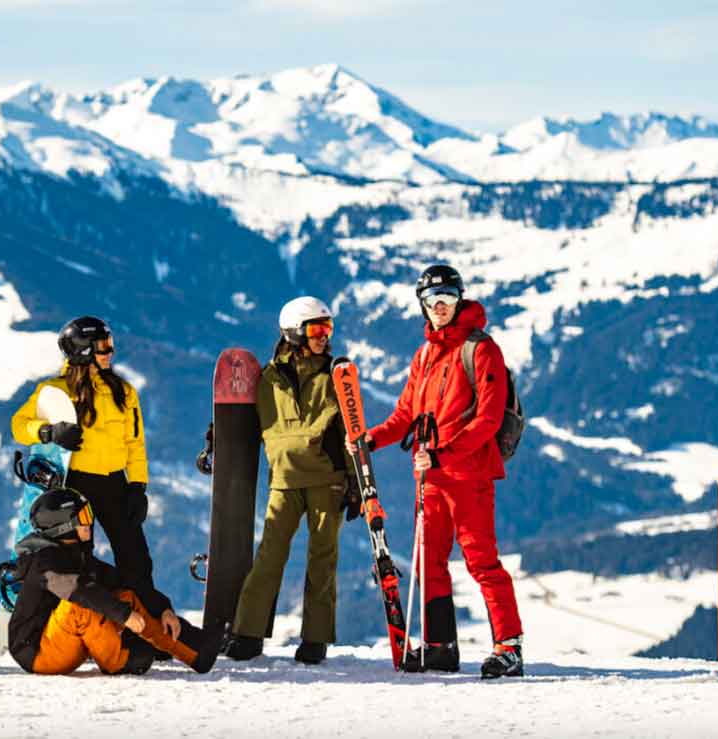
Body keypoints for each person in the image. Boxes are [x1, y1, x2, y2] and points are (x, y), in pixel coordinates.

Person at [358, 264, 524, 679]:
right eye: (432, 300)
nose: (440, 307)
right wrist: (370, 439)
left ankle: (509, 648)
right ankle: (440, 646)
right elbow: (405, 415)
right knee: (428, 561)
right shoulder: (426, 354)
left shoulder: (481, 349)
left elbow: (487, 420)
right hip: (430, 478)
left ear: (460, 298)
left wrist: (443, 455)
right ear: (423, 305)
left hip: (469, 476)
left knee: (481, 561)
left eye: (448, 297)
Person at [222, 297, 361, 665]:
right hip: (283, 479)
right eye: (316, 329)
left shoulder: (335, 374)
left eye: (327, 330)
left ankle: (315, 641)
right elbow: (245, 422)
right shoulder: (267, 379)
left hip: (326, 479)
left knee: (322, 560)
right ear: (294, 332)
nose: (324, 337)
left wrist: (357, 482)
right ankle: (247, 634)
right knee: (269, 556)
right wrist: (215, 438)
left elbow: (352, 429)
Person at [10, 316, 172, 630]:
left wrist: (138, 486)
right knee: (78, 560)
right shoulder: (54, 391)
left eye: (110, 345)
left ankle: (146, 626)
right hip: (75, 486)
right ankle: (73, 625)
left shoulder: (123, 391)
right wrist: (48, 431)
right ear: (83, 350)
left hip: (114, 484)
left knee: (135, 557)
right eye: (102, 346)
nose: (110, 352)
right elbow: (19, 425)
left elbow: (135, 443)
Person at [8, 487, 222, 675]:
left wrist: (163, 607)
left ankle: (197, 651)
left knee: (126, 595)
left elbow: (123, 581)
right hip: (38, 652)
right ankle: (118, 661)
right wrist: (124, 615)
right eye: (83, 516)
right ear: (64, 525)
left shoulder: (77, 555)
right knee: (82, 605)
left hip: (65, 639)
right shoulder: (44, 563)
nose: (90, 522)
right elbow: (79, 590)